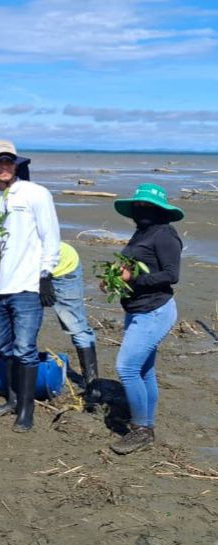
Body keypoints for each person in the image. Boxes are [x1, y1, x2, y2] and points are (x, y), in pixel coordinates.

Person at [0, 140, 60, 432]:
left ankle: (26, 411)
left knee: (25, 349)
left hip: (27, 287)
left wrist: (46, 274)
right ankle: (12, 399)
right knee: (5, 346)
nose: (4, 167)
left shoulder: (36, 194)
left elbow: (50, 236)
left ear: (17, 164)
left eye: (8, 161)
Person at [105, 184, 183, 455]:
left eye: (147, 206)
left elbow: (171, 275)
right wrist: (114, 279)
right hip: (137, 310)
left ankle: (140, 430)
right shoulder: (142, 232)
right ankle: (146, 426)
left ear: (160, 209)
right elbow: (133, 265)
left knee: (126, 368)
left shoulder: (165, 234)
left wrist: (133, 279)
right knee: (144, 370)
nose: (141, 210)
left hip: (155, 311)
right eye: (138, 206)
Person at [51, 242, 100, 398]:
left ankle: (93, 386)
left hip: (61, 267)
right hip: (26, 270)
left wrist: (43, 280)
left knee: (76, 326)